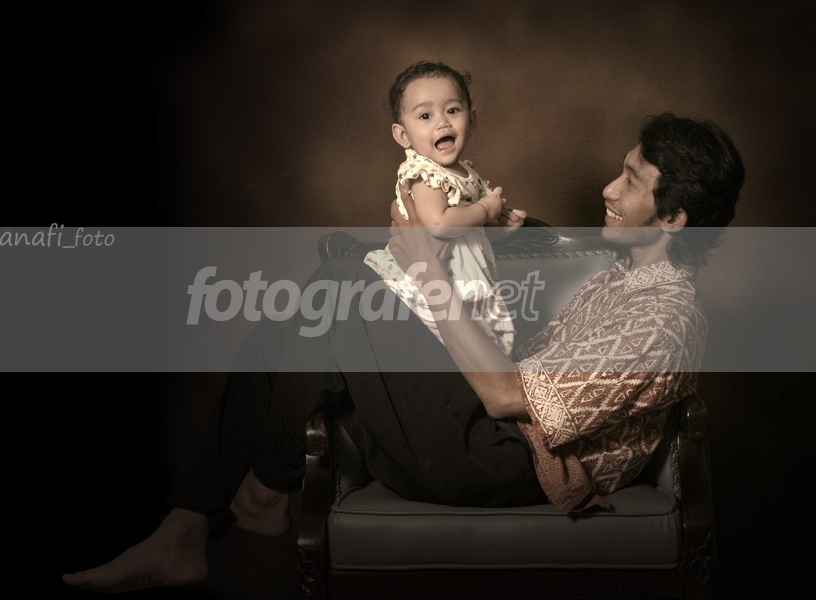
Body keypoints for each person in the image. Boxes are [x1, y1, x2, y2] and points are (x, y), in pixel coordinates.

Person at [62, 112, 744, 594]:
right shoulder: (625, 277)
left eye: (631, 180)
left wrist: (427, 273)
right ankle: (192, 526)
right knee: (309, 318)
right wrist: (496, 229)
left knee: (340, 287)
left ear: (673, 218)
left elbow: (508, 397)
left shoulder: (665, 314)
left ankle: (257, 490)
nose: (608, 189)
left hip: (512, 462)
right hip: (492, 436)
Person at [364, 61, 527, 356]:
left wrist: (497, 227)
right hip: (427, 282)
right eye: (425, 116)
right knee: (454, 343)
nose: (442, 122)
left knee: (472, 341)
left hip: (455, 275)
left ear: (471, 120)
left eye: (452, 110)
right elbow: (439, 224)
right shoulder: (425, 176)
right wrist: (485, 210)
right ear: (403, 135)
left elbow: (464, 232)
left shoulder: (462, 172)